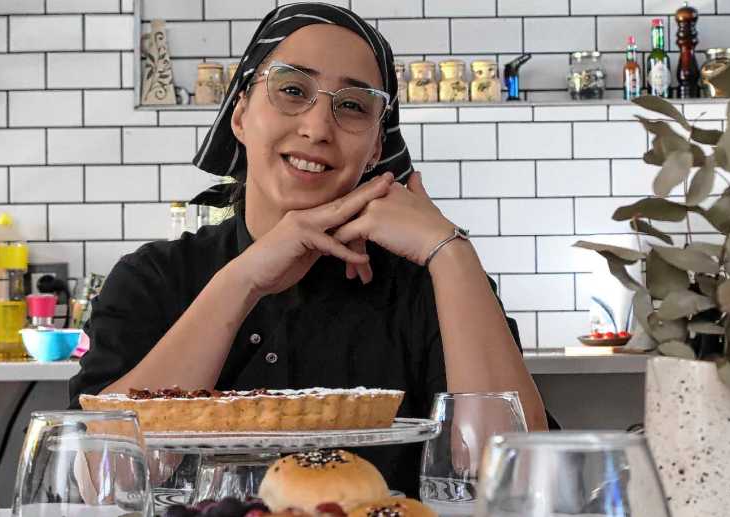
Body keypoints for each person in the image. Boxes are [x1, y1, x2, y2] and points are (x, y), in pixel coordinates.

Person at [69, 2, 548, 495]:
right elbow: (103, 482)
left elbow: (518, 483)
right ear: (240, 115)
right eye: (293, 90)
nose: (318, 129)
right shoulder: (152, 279)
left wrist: (451, 251)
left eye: (353, 105)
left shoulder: (428, 287)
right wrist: (242, 280)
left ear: (376, 148)